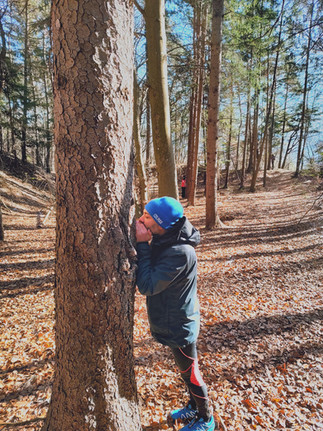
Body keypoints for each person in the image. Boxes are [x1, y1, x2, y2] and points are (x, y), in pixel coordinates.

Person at [135, 196, 217, 431]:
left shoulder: (179, 252)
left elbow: (147, 285)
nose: (141, 219)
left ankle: (206, 419)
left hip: (180, 325)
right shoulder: (166, 238)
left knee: (191, 373)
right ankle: (193, 405)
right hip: (175, 319)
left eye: (148, 217)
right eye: (143, 213)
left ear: (162, 223)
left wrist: (142, 245)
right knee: (185, 372)